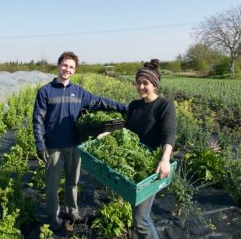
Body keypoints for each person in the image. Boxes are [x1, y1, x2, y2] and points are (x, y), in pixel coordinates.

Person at [32, 51, 127, 231]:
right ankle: (53, 216)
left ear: (75, 71)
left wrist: (124, 107)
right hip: (53, 147)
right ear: (58, 65)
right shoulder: (45, 91)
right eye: (65, 65)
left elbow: (100, 102)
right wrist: (40, 143)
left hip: (75, 145)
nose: (67, 69)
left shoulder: (79, 92)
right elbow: (38, 119)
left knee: (72, 182)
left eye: (71, 67)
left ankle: (72, 212)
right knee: (52, 185)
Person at [125, 59, 177, 239]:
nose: (141, 86)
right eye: (138, 82)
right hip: (132, 164)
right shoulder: (133, 106)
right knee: (135, 212)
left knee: (141, 218)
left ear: (154, 84)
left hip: (150, 168)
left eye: (145, 83)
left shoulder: (164, 105)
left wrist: (165, 159)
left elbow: (169, 134)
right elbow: (126, 133)